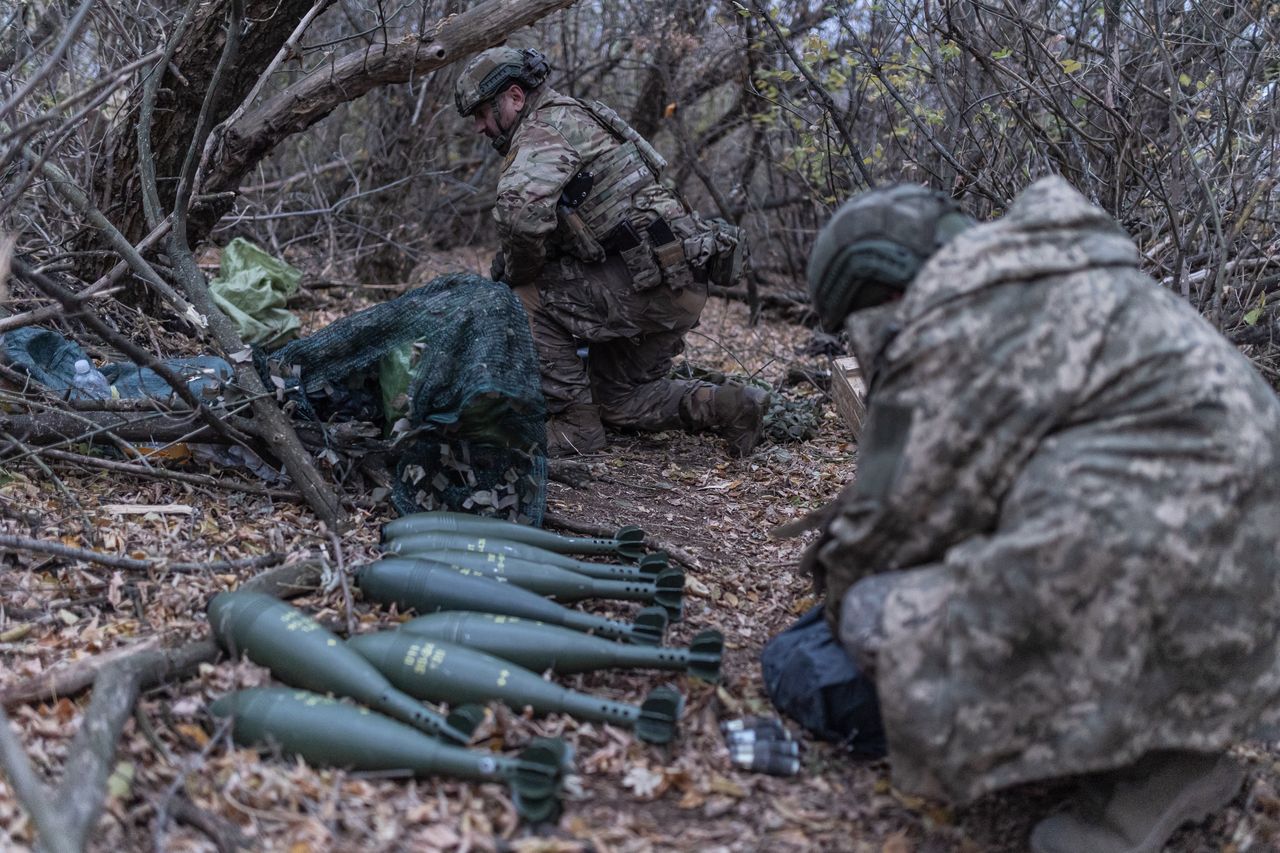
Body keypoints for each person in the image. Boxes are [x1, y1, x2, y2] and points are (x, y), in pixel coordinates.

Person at [799, 177, 1280, 852]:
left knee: (872, 611)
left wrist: (826, 617)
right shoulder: (1074, 279)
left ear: (882, 294)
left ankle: (1141, 773)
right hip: (1253, 621)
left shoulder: (954, 321)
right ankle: (1173, 753)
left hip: (1165, 589)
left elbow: (892, 530)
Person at [453, 46, 767, 458]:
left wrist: (514, 272)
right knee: (617, 400)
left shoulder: (544, 130)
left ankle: (574, 426)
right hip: (679, 284)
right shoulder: (583, 114)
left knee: (517, 297)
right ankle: (731, 406)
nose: (479, 127)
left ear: (514, 97)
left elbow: (521, 218)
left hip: (646, 284)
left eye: (481, 113)